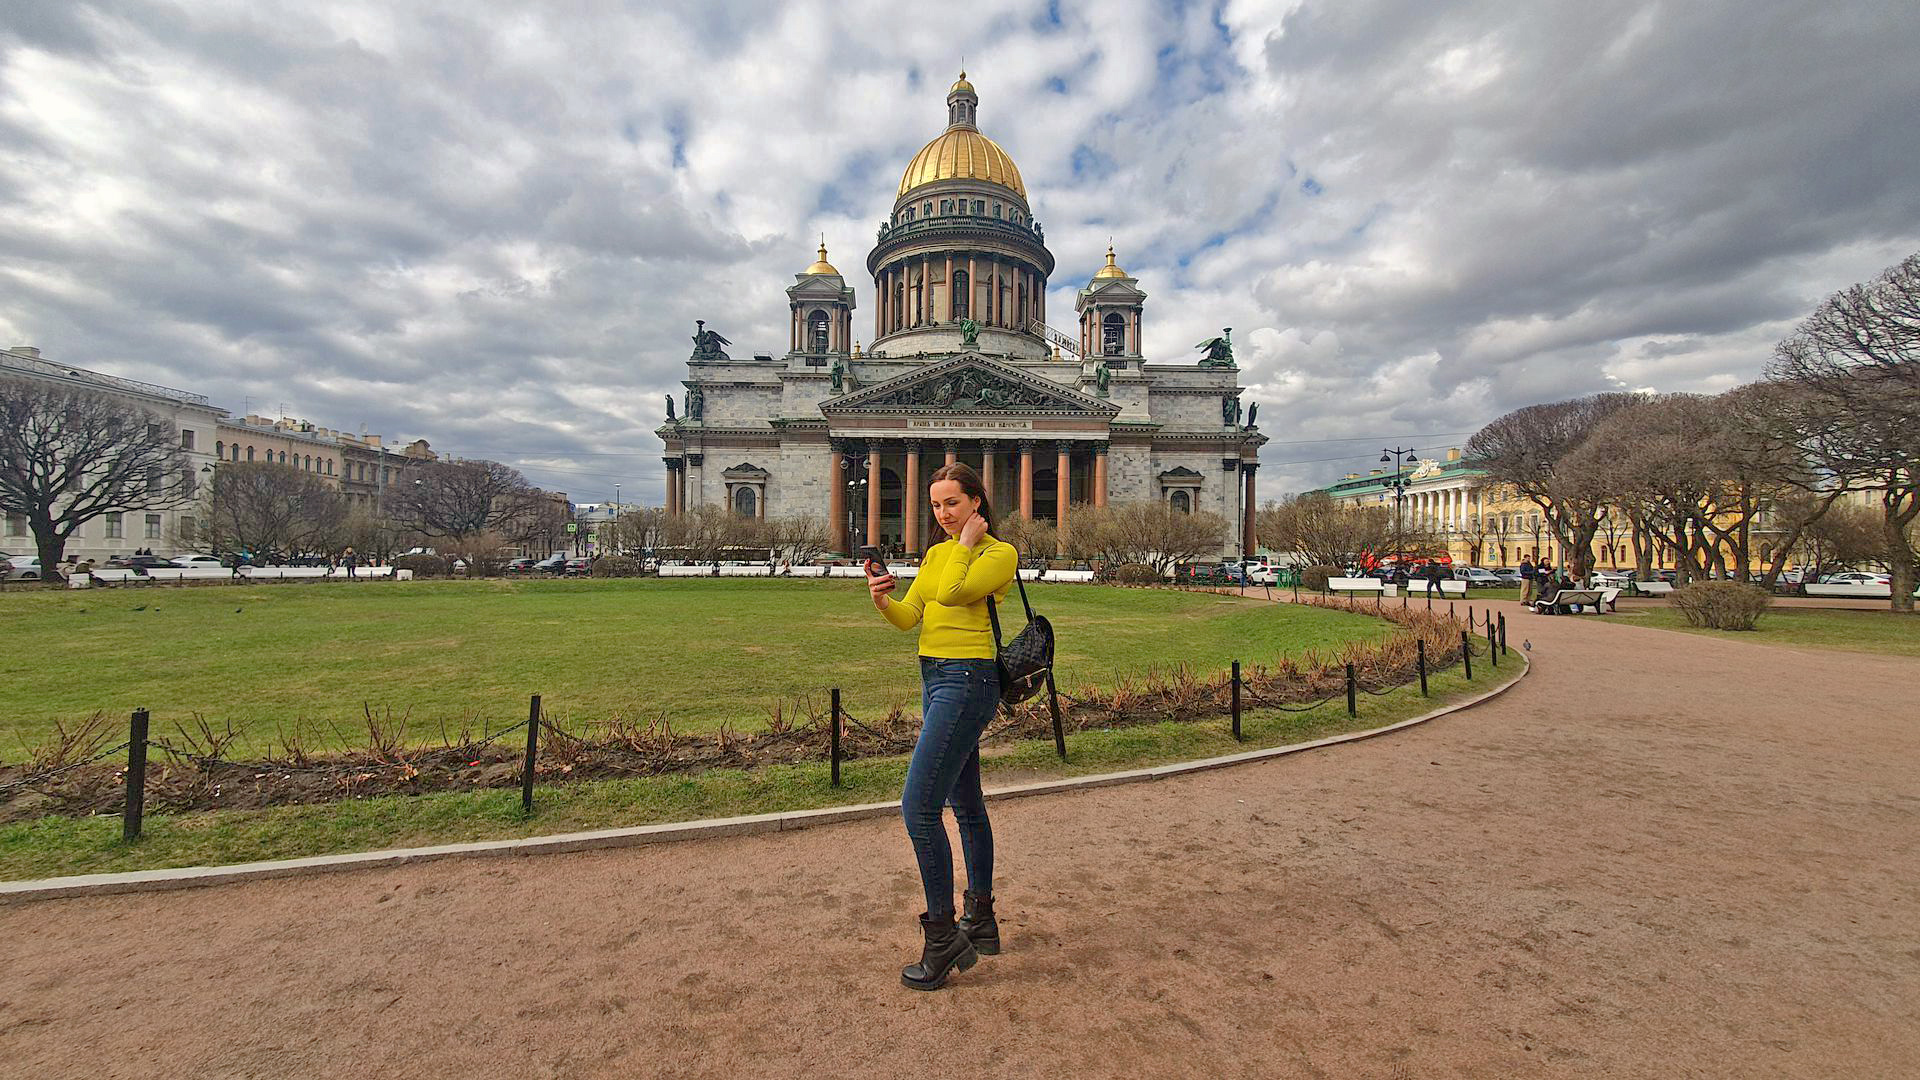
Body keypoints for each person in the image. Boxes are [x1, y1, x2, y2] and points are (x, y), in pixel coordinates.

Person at [865, 462, 1016, 991]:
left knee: (919, 806)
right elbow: (914, 617)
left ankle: (943, 935)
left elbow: (953, 594)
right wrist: (884, 600)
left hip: (968, 680)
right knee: (967, 804)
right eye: (935, 505)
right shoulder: (934, 553)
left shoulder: (1000, 554)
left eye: (952, 503)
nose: (942, 513)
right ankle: (982, 920)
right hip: (934, 676)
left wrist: (968, 543)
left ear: (976, 501)